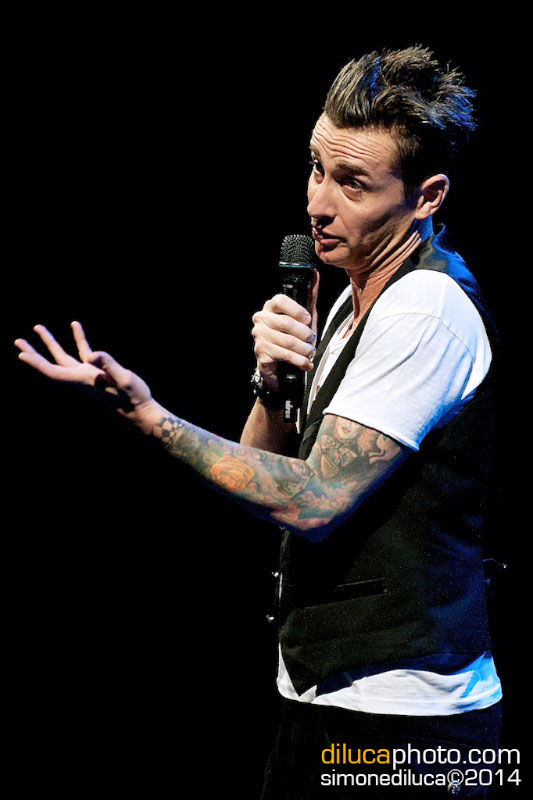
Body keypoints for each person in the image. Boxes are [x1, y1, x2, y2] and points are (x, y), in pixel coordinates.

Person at [15, 46, 502, 798]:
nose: (317, 204)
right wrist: (273, 387)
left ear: (426, 196)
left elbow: (310, 501)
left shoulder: (424, 308)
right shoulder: (348, 298)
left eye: (351, 183)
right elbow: (263, 480)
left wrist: (149, 416)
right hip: (329, 694)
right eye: (316, 168)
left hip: (407, 725)